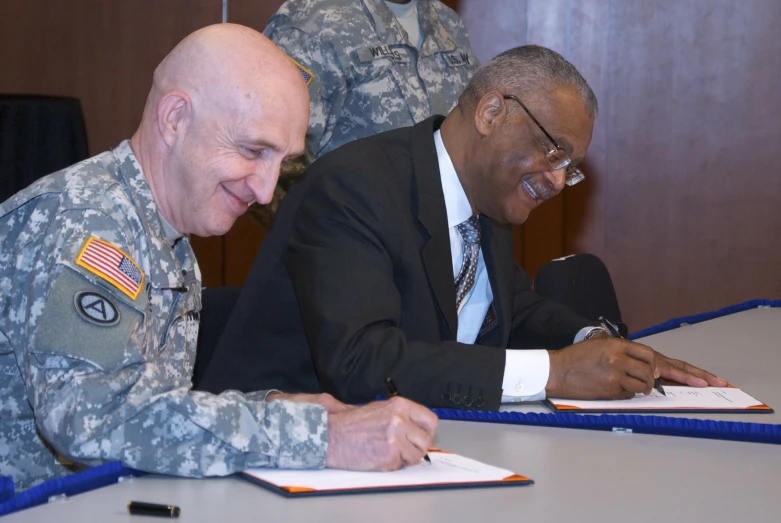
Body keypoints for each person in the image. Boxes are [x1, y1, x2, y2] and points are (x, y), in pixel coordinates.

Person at [0, 23, 436, 494]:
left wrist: (277, 411)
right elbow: (90, 417)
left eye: (282, 162)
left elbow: (145, 405)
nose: (266, 190)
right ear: (174, 119)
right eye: (253, 150)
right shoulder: (87, 222)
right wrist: (320, 437)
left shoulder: (164, 231)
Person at [195, 45, 727, 409]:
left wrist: (601, 346)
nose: (561, 180)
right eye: (553, 151)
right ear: (492, 112)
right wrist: (556, 374)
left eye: (570, 165)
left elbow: (515, 308)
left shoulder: (485, 200)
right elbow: (362, 363)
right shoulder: (354, 188)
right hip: (273, 454)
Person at [251, 0, 479, 224]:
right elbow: (269, 165)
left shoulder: (448, 22)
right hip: (350, 246)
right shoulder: (313, 21)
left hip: (446, 244)